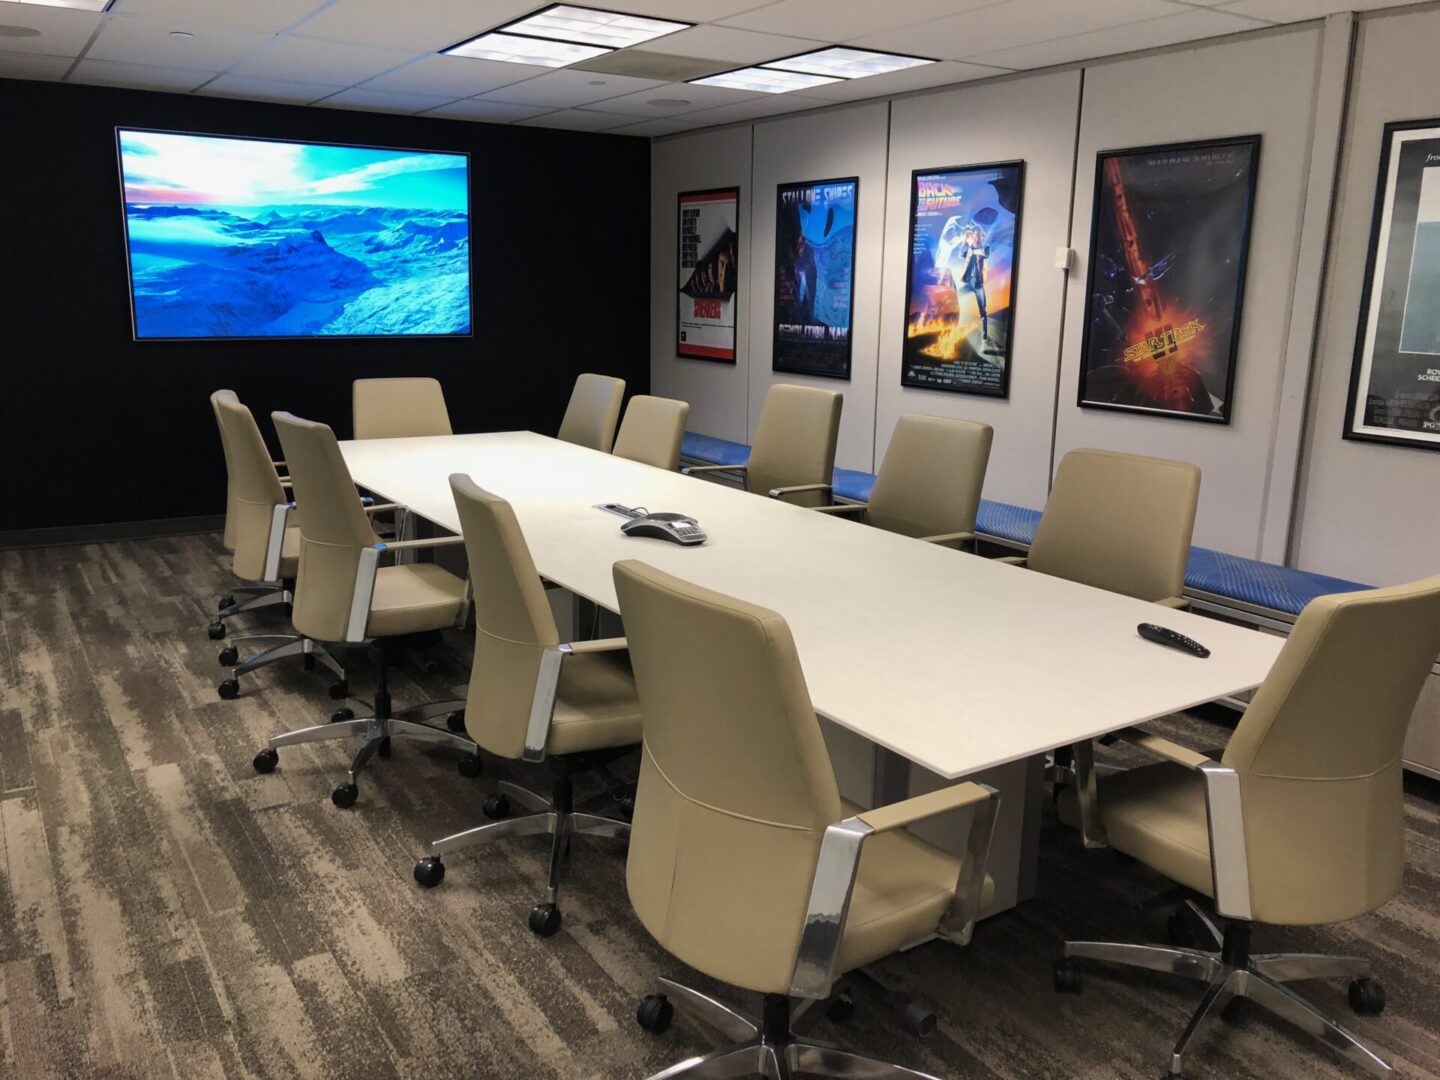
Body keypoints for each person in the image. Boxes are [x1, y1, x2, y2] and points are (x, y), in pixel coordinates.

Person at [937, 218, 996, 352]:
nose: (974, 238)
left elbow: (983, 254)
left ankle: (984, 341)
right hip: (969, 283)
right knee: (955, 297)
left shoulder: (984, 248)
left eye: (976, 235)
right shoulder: (969, 248)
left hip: (979, 286)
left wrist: (977, 236)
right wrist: (964, 239)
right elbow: (960, 254)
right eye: (973, 235)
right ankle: (947, 328)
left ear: (979, 236)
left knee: (983, 313)